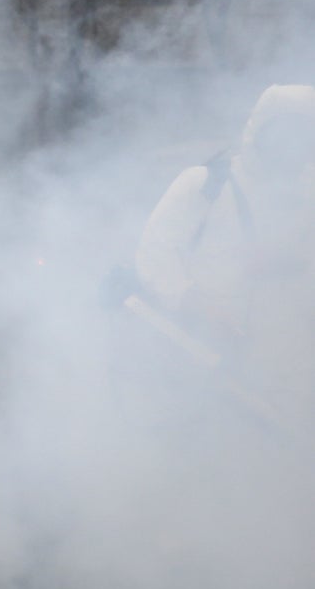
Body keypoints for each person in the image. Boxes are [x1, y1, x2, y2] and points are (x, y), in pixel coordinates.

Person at [135, 84, 315, 421]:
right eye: (287, 133)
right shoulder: (206, 183)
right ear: (261, 131)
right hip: (210, 359)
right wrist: (201, 308)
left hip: (290, 367)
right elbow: (154, 256)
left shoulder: (309, 195)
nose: (296, 147)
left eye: (305, 136)